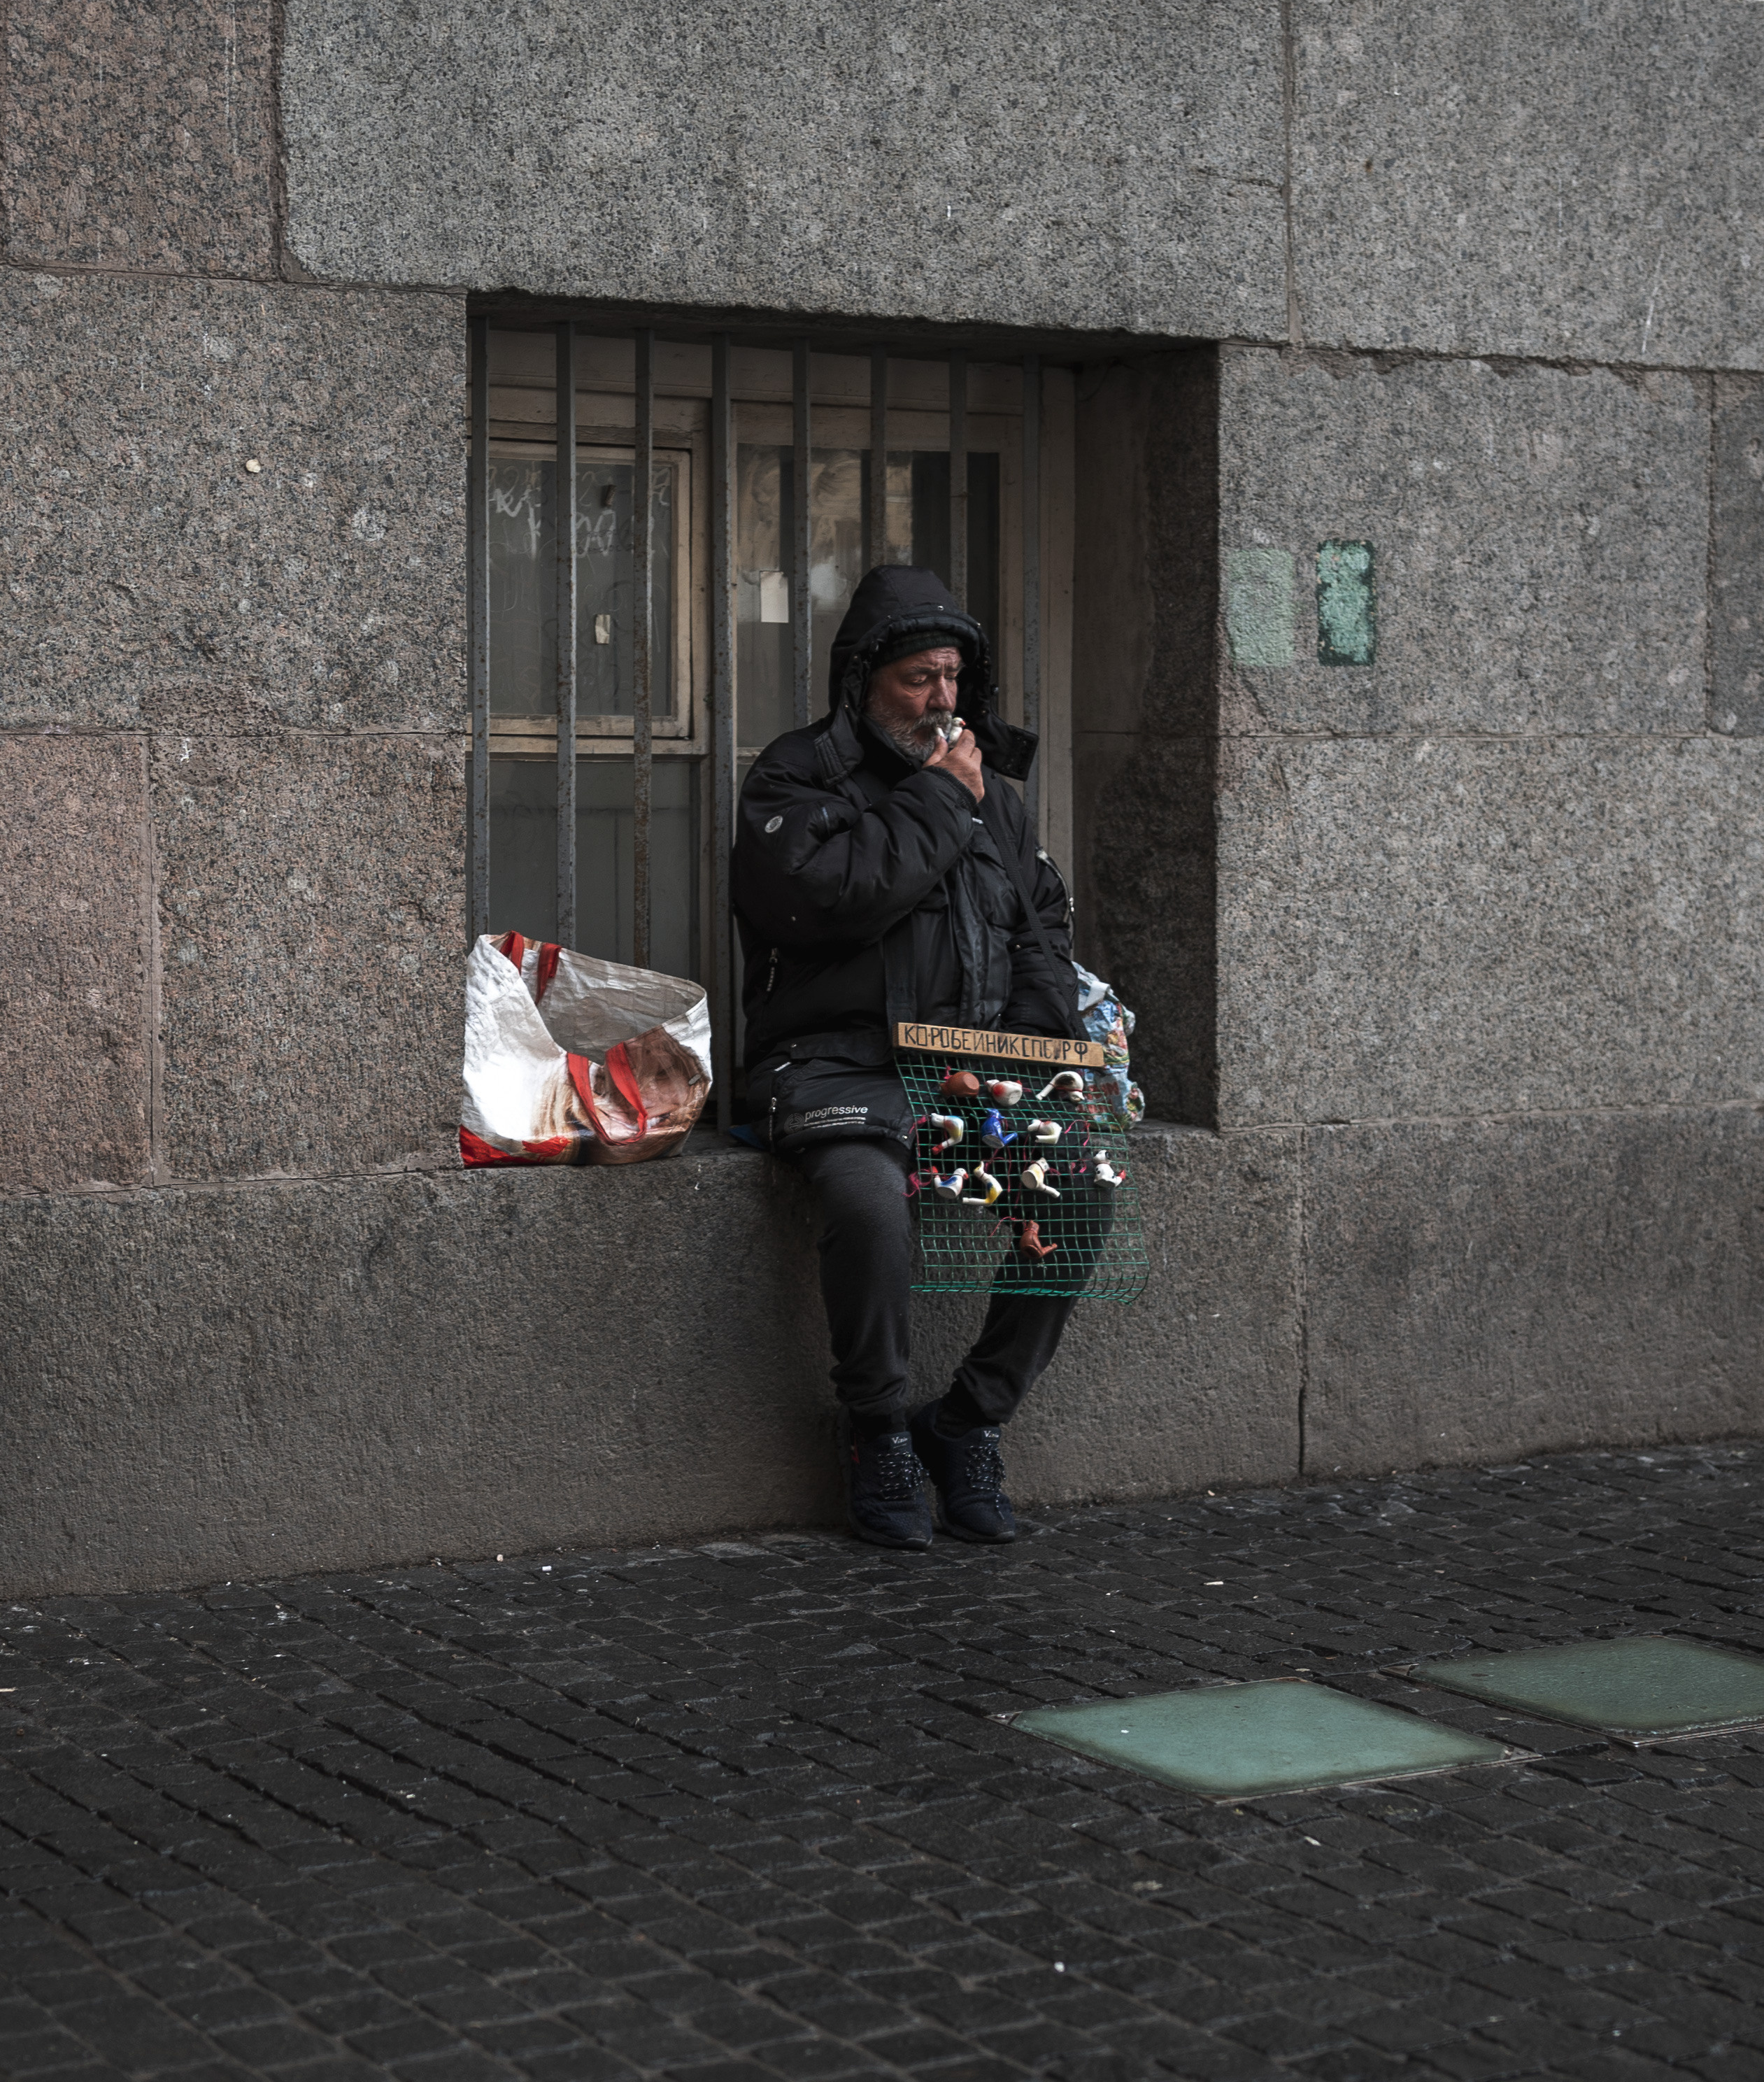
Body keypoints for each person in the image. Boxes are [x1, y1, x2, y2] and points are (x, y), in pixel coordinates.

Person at [733, 565, 1085, 1550]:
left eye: (951, 681)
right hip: (833, 1062)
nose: (940, 702)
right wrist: (936, 799)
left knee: (1076, 1199)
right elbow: (829, 898)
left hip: (970, 1068)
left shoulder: (995, 798)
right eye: (916, 680)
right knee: (864, 1201)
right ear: (863, 682)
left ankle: (965, 1422)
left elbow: (1040, 928)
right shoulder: (796, 775)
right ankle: (877, 1429)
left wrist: (1020, 1048)